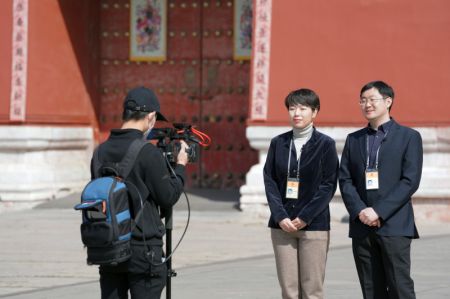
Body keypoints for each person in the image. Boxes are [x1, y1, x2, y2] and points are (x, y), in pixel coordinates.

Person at [93, 86, 188, 299]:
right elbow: (168, 196)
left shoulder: (99, 152)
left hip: (109, 247)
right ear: (151, 116)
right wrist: (180, 166)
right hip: (142, 249)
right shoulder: (147, 152)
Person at [339, 81, 423, 299]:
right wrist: (360, 211)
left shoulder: (409, 137)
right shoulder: (354, 139)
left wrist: (378, 211)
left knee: (400, 287)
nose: (367, 104)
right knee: (370, 289)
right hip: (362, 226)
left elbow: (410, 180)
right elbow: (345, 180)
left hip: (394, 224)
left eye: (372, 99)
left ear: (388, 101)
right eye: (363, 100)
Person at [263, 88, 339, 299]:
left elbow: (328, 185)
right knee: (289, 290)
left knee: (312, 290)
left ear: (314, 112)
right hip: (282, 226)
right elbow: (269, 181)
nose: (297, 113)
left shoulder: (325, 144)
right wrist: (280, 216)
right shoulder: (278, 143)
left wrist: (305, 216)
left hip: (314, 226)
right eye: (292, 108)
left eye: (303, 108)